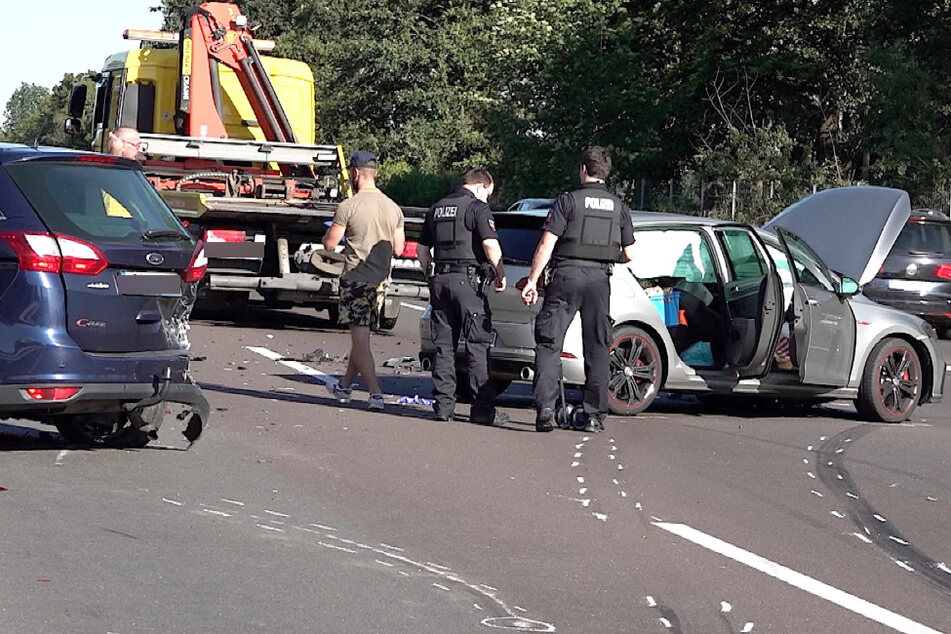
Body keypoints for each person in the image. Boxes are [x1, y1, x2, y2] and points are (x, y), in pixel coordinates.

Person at [520, 146, 636, 433]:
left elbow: (547, 243)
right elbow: (630, 253)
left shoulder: (568, 201)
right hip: (599, 281)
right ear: (605, 173)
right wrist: (607, 258)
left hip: (566, 275)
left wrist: (533, 280)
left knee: (549, 342)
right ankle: (594, 416)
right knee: (597, 347)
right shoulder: (619, 207)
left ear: (583, 169)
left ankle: (546, 410)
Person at [418, 169, 508, 425]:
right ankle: (481, 411)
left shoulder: (436, 208)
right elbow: (490, 244)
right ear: (481, 186)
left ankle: (443, 407)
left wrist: (430, 275)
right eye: (487, 194)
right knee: (477, 345)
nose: (487, 200)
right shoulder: (476, 208)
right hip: (468, 284)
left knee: (444, 347)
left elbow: (423, 250)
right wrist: (500, 274)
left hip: (441, 281)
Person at [322, 151, 405, 411]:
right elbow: (399, 248)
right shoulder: (393, 208)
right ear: (375, 173)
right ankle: (344, 386)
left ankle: (375, 393)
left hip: (356, 279)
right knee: (361, 335)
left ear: (355, 173)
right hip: (381, 281)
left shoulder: (349, 206)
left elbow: (330, 243)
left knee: (360, 341)